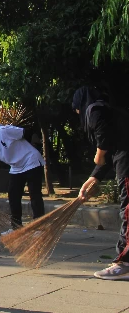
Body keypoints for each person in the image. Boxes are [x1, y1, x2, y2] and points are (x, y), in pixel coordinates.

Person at [73, 86, 129, 280]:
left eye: (77, 109)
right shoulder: (111, 112)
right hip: (123, 162)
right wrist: (93, 177)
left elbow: (104, 141)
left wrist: (98, 155)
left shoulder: (95, 110)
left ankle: (124, 263)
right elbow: (111, 148)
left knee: (128, 213)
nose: (78, 113)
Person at [0, 117, 45, 233]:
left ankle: (39, 226)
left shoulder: (4, 131)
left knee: (34, 194)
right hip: (16, 167)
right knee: (13, 196)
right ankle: (16, 226)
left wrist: (35, 145)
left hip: (31, 161)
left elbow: (27, 132)